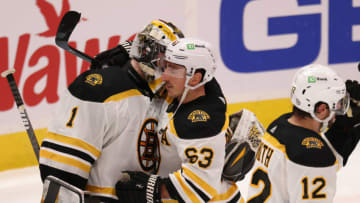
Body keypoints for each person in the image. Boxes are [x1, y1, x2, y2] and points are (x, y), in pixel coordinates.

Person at [39, 19, 185, 202]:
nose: (170, 68)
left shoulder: (172, 95)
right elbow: (62, 169)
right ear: (149, 52)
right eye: (166, 59)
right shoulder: (101, 91)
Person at [115, 38, 259, 203]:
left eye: (174, 70)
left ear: (195, 79)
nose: (164, 77)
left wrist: (154, 190)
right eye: (166, 66)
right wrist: (130, 53)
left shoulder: (199, 124)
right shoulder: (197, 85)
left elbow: (199, 189)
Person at [246, 64, 360, 203]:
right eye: (337, 105)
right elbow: (315, 159)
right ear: (322, 108)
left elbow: (313, 159)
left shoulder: (279, 125)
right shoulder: (310, 155)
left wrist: (344, 131)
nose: (339, 111)